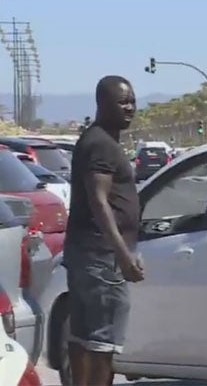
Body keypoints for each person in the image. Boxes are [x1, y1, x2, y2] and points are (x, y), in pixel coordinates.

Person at [64, 75, 145, 386]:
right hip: (102, 257)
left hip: (88, 253)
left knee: (84, 336)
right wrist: (123, 255)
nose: (129, 108)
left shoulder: (97, 140)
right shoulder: (101, 144)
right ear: (102, 104)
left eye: (132, 101)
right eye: (122, 102)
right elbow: (99, 202)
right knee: (102, 342)